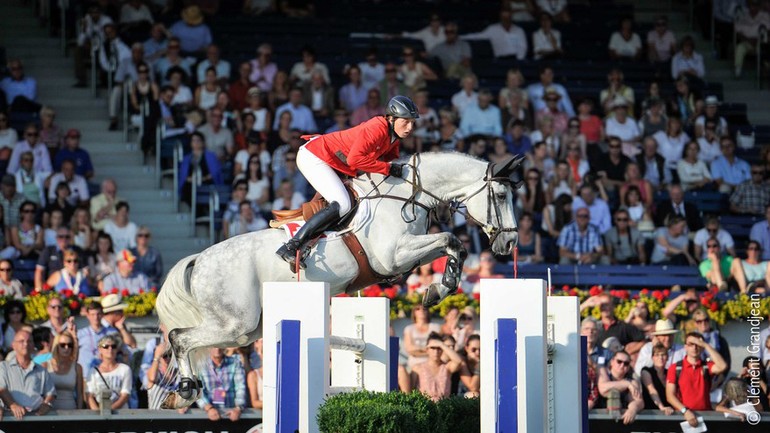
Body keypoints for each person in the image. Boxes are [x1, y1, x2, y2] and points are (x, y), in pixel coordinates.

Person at [275, 95, 418, 270]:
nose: (410, 127)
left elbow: (391, 164)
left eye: (412, 123)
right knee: (342, 204)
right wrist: (388, 169)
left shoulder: (393, 137)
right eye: (406, 122)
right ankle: (291, 246)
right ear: (391, 118)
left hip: (334, 163)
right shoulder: (377, 128)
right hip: (315, 157)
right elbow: (355, 160)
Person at [666, 332, 728, 427]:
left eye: (698, 344)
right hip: (683, 417)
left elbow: (722, 366)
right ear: (685, 347)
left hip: (706, 417)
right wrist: (685, 411)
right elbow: (670, 396)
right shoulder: (675, 368)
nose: (694, 348)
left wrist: (705, 345)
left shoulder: (706, 366)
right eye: (691, 344)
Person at [0, 330, 56, 418]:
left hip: (36, 419)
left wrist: (46, 403)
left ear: (33, 345)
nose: (26, 344)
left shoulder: (42, 370)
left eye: (29, 341)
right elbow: (1, 389)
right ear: (13, 345)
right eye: (21, 341)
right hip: (10, 418)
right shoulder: (3, 367)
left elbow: (51, 393)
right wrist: (13, 405)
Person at [410, 332, 464, 402]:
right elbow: (410, 391)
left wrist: (442, 345)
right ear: (427, 349)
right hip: (424, 407)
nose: (436, 351)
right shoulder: (417, 368)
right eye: (433, 348)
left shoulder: (447, 367)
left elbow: (459, 361)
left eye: (439, 348)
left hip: (444, 407)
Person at [197, 347, 246, 422]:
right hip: (207, 415)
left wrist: (238, 408)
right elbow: (198, 391)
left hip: (231, 415)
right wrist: (208, 408)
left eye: (220, 345)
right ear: (208, 347)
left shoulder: (235, 362)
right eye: (214, 346)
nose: (217, 349)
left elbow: (240, 387)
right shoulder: (200, 364)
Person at [596, 350, 644, 424]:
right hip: (598, 420)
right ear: (612, 362)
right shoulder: (603, 372)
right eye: (619, 361)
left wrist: (632, 410)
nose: (622, 365)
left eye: (626, 363)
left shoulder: (632, 382)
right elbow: (603, 389)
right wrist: (626, 384)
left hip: (622, 422)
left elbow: (639, 401)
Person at [85, 335, 132, 411]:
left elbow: (125, 395)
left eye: (113, 346)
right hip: (98, 413)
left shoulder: (125, 369)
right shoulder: (93, 371)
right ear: (100, 349)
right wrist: (97, 413)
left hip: (120, 413)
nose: (110, 349)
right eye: (106, 346)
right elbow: (89, 395)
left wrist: (109, 410)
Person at [461, 8, 527, 59]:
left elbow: (523, 47)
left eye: (508, 18)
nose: (506, 20)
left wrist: (519, 61)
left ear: (511, 18)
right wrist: (460, 37)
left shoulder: (519, 30)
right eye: (504, 18)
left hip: (515, 59)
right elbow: (477, 36)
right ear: (500, 18)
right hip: (500, 60)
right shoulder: (493, 29)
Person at [77, 303, 118, 376]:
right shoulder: (80, 334)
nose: (96, 317)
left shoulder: (112, 332)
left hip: (106, 375)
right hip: (86, 376)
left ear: (102, 314)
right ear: (88, 316)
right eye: (92, 315)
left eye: (98, 314)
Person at [48, 331, 84, 410]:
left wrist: (80, 413)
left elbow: (80, 395)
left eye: (70, 345)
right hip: (49, 412)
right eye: (62, 345)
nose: (66, 348)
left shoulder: (77, 367)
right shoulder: (46, 365)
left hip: (71, 411)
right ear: (56, 346)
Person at [734, 0, 770, 78]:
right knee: (740, 47)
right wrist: (748, 40)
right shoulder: (743, 15)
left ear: (759, 6)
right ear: (748, 6)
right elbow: (738, 31)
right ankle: (738, 71)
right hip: (747, 41)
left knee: (763, 50)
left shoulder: (765, 16)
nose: (753, 7)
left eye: (755, 5)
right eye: (751, 5)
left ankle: (766, 67)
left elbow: (767, 30)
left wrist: (758, 40)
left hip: (761, 42)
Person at [640, 344, 676, 415]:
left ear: (667, 357)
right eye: (657, 355)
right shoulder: (646, 371)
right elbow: (652, 390)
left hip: (670, 413)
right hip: (651, 413)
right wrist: (662, 407)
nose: (660, 358)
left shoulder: (670, 372)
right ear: (652, 357)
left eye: (663, 355)